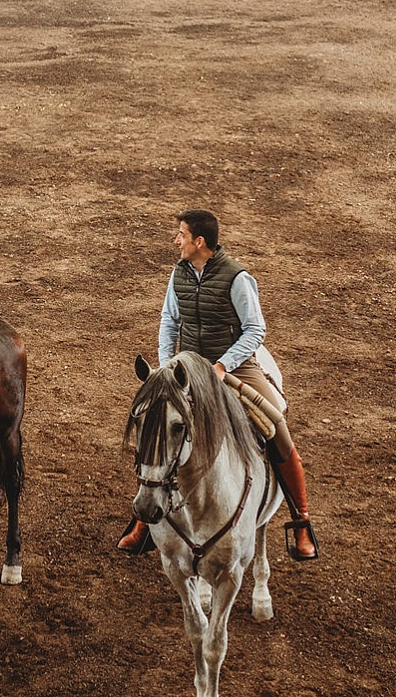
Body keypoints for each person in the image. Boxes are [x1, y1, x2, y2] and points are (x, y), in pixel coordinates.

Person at [118, 208, 319, 560]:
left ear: (199, 241)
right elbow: (169, 321)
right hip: (188, 367)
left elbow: (255, 330)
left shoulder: (237, 278)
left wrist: (224, 365)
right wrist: (166, 365)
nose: (176, 241)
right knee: (154, 423)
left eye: (181, 235)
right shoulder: (179, 273)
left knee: (275, 425)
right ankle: (143, 521)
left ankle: (301, 520)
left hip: (235, 367)